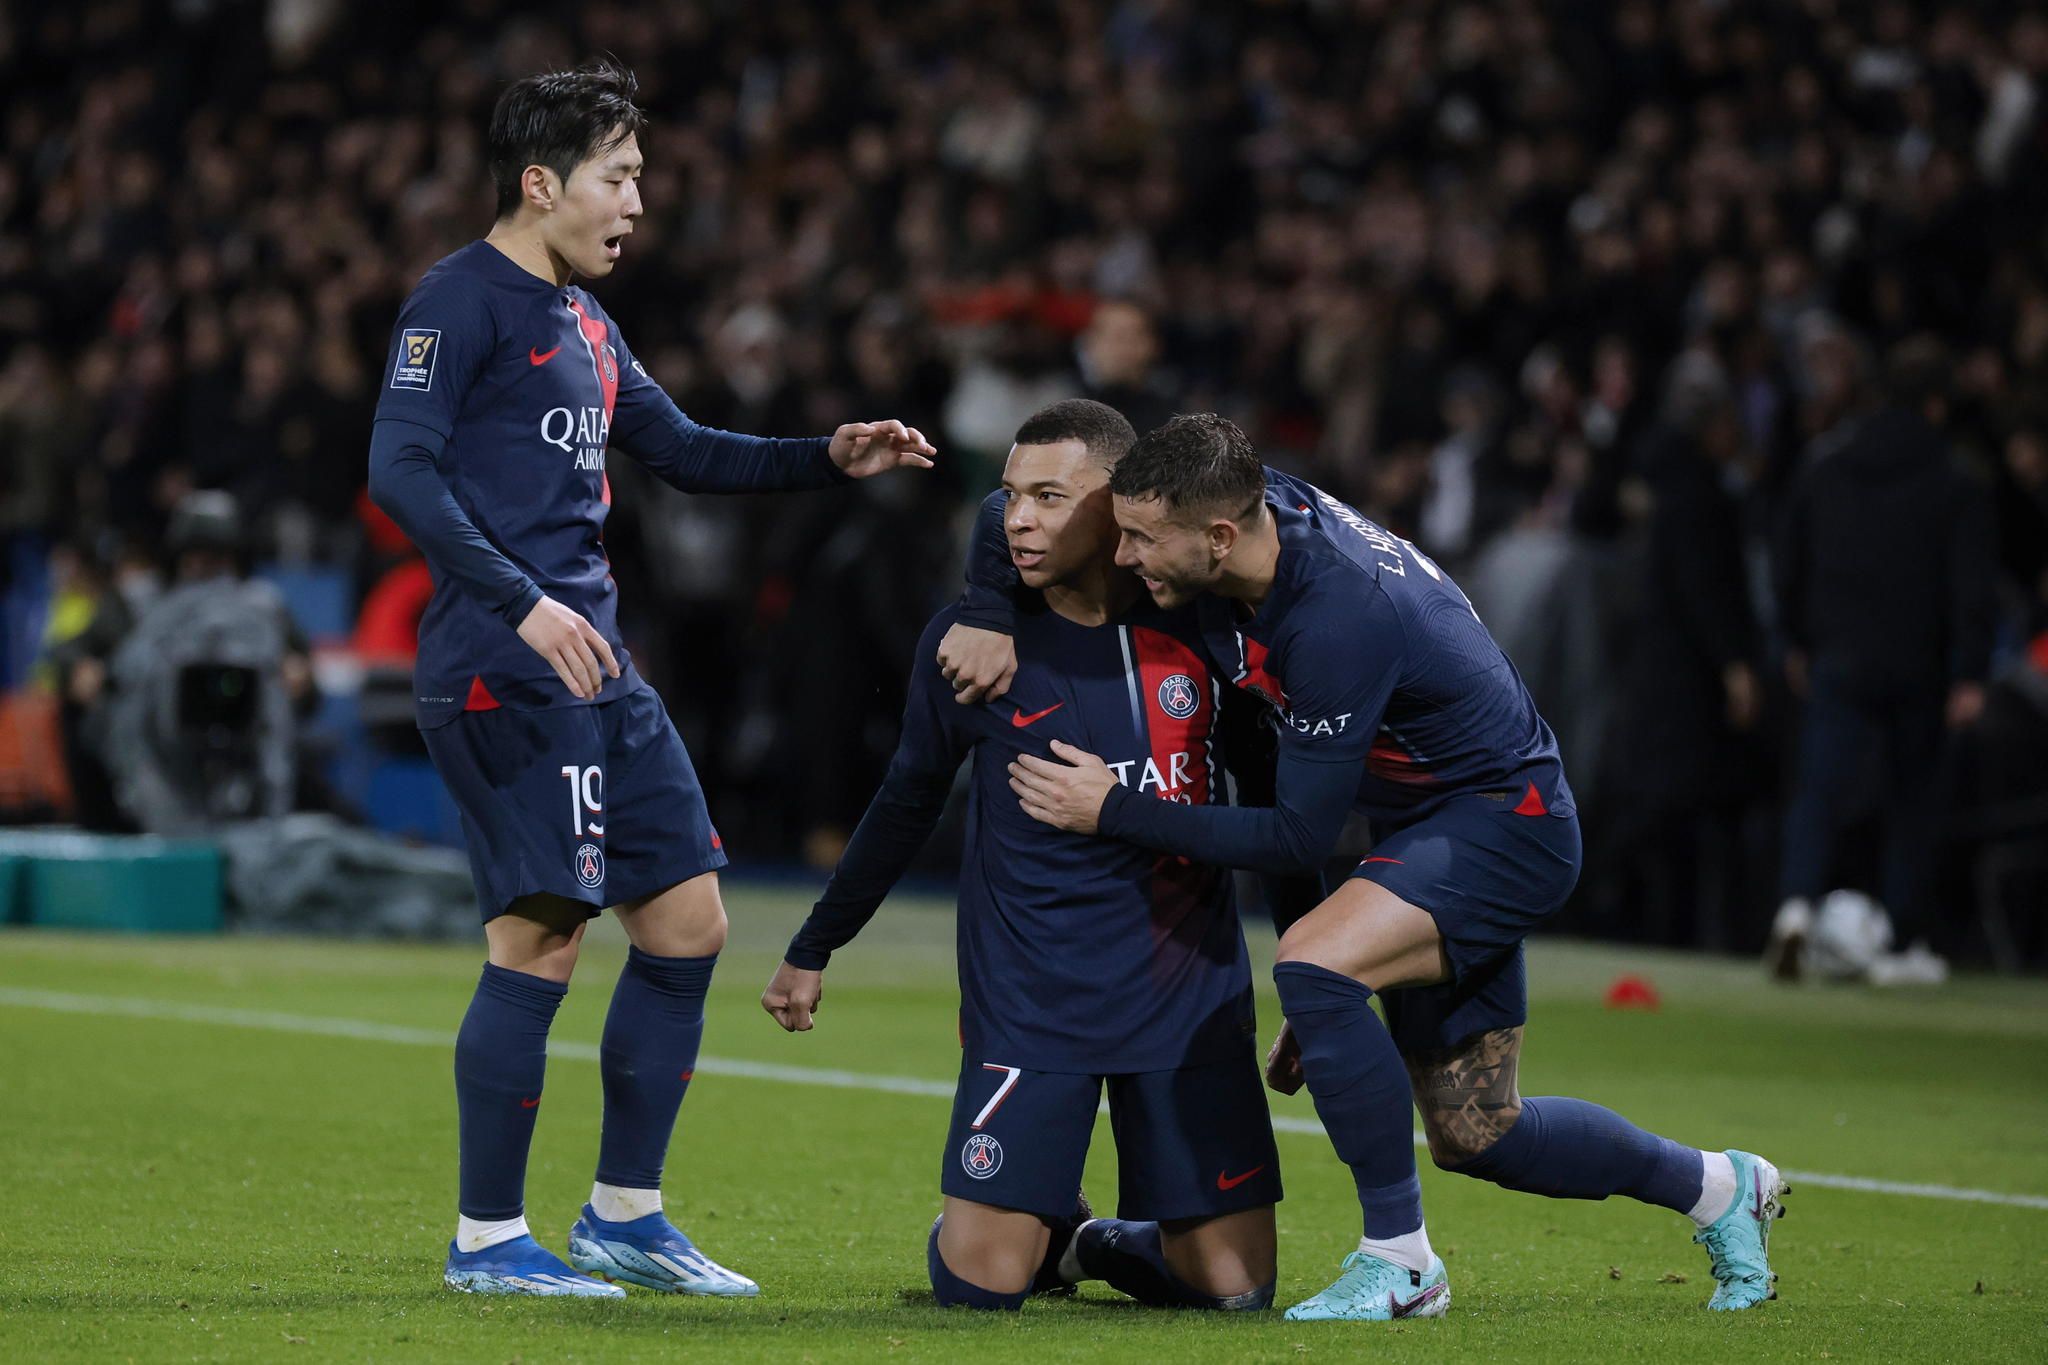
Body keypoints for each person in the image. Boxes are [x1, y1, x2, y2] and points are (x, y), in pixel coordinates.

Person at [964, 414, 1785, 1321]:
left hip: (1504, 827)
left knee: (1317, 965)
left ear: (1221, 535)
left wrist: (1114, 809)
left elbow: (1297, 837)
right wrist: (983, 606)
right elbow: (1021, 512)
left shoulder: (1339, 618)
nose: (1121, 555)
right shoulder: (1230, 514)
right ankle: (1719, 1186)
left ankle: (1402, 1261)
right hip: (1425, 833)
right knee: (1480, 1132)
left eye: (1141, 540)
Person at [365, 60, 935, 1300]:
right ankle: (485, 1241)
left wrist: (826, 455)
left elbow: (683, 451)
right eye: (618, 176)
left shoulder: (586, 322)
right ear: (540, 183)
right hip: (504, 666)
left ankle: (625, 1215)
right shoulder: (454, 303)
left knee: (687, 924)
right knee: (540, 939)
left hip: (598, 667)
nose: (636, 202)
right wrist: (520, 605)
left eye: (640, 178)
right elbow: (402, 471)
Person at [761, 400, 1283, 1313]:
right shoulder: (974, 648)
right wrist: (816, 943)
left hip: (1187, 994)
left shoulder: (1208, 631)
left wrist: (1313, 971)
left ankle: (1084, 1242)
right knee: (982, 1287)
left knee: (1235, 1291)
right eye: (1009, 498)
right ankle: (1022, 1234)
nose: (1021, 518)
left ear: (1120, 509)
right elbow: (905, 802)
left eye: (1049, 495)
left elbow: (1281, 814)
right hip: (1035, 1000)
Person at [1766, 335, 1997, 984]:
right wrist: (1971, 670)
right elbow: (1970, 585)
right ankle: (1898, 939)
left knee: (1819, 789)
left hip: (1839, 653)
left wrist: (1796, 639)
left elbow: (1789, 559)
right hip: (1918, 663)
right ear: (1938, 404)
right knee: (1911, 801)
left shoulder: (1828, 463)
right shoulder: (1956, 480)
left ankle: (1795, 908)